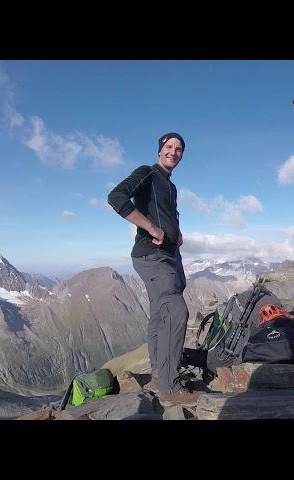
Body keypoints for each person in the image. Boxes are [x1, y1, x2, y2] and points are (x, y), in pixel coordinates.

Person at [107, 132, 199, 407]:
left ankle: (161, 375)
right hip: (151, 255)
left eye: (179, 149)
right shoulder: (146, 172)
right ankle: (169, 387)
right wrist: (149, 227)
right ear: (160, 150)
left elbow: (171, 213)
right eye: (169, 147)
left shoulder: (171, 187)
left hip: (171, 255)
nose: (174, 152)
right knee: (175, 310)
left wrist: (177, 233)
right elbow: (117, 197)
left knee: (161, 313)